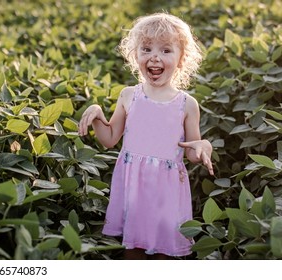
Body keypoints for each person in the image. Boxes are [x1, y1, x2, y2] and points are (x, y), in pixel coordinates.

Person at [78, 13, 215, 260]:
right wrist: (98, 114)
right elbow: (109, 139)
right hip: (135, 187)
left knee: (166, 252)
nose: (155, 57)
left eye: (165, 50)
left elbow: (192, 153)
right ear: (136, 56)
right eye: (147, 49)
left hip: (167, 190)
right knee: (134, 249)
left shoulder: (187, 104)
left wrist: (203, 146)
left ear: (181, 59)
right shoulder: (129, 96)